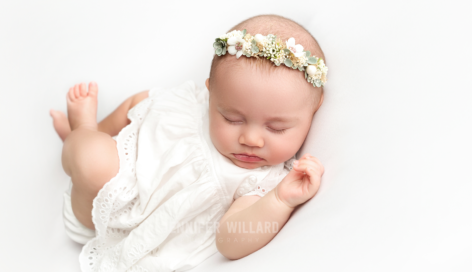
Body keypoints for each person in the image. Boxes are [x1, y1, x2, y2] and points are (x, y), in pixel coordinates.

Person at [50, 14, 327, 272]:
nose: (250, 140)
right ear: (211, 95)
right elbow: (140, 104)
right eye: (231, 118)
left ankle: (81, 134)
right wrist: (104, 131)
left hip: (109, 213)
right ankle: (90, 129)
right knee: (141, 102)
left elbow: (230, 241)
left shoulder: (256, 182)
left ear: (313, 111)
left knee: (92, 160)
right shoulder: (191, 105)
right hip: (126, 166)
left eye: (276, 128)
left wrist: (280, 200)